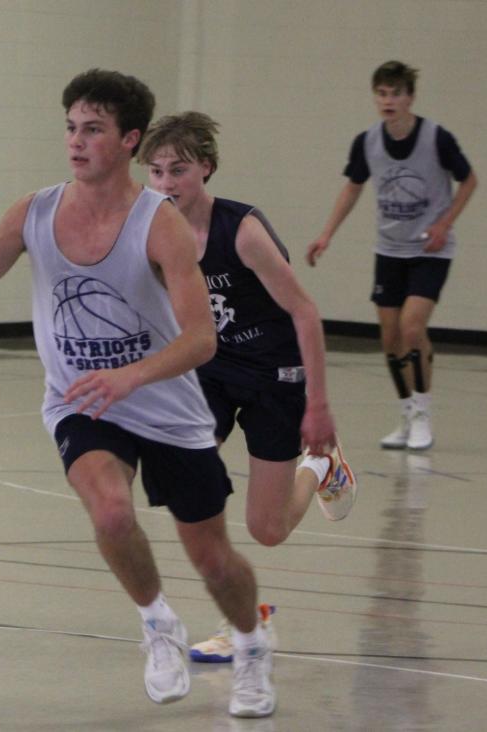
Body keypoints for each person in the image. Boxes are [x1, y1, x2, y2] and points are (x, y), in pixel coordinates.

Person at [0, 69, 275, 718]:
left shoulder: (157, 223)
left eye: (93, 130)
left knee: (215, 560)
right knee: (110, 512)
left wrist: (132, 375)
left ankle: (251, 644)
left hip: (166, 406)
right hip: (80, 400)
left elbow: (201, 340)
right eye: (70, 128)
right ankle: (157, 623)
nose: (76, 142)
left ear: (128, 139)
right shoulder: (35, 212)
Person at [139, 112, 356, 664]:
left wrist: (318, 403)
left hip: (274, 372)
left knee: (269, 529)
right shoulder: (150, 229)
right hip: (211, 365)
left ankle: (321, 468)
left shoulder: (242, 231)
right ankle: (244, 618)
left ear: (206, 169)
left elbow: (305, 312)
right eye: (157, 171)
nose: (166, 183)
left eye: (179, 170)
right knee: (190, 487)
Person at [307, 60, 477, 451]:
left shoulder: (437, 138)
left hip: (430, 249)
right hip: (389, 250)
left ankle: (422, 413)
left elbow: (469, 180)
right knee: (388, 337)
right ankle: (405, 412)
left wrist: (444, 223)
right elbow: (352, 188)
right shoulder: (366, 142)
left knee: (412, 328)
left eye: (396, 93)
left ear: (410, 97)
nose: (388, 100)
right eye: (382, 93)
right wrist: (326, 234)